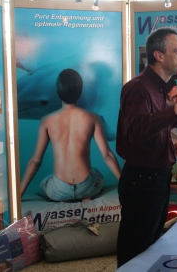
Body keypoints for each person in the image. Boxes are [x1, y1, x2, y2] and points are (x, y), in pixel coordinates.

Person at [115, 26, 177, 268]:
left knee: (151, 244)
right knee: (135, 247)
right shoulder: (138, 89)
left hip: (156, 179)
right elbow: (137, 130)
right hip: (142, 181)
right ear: (159, 55)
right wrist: (173, 110)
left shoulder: (160, 87)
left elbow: (165, 122)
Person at [20, 68, 121, 202]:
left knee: (44, 184)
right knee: (96, 174)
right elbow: (107, 155)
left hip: (58, 190)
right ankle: (85, 196)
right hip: (88, 187)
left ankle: (64, 197)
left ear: (58, 91)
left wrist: (19, 193)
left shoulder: (47, 121)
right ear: (80, 90)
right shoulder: (93, 117)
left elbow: (36, 161)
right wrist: (125, 184)